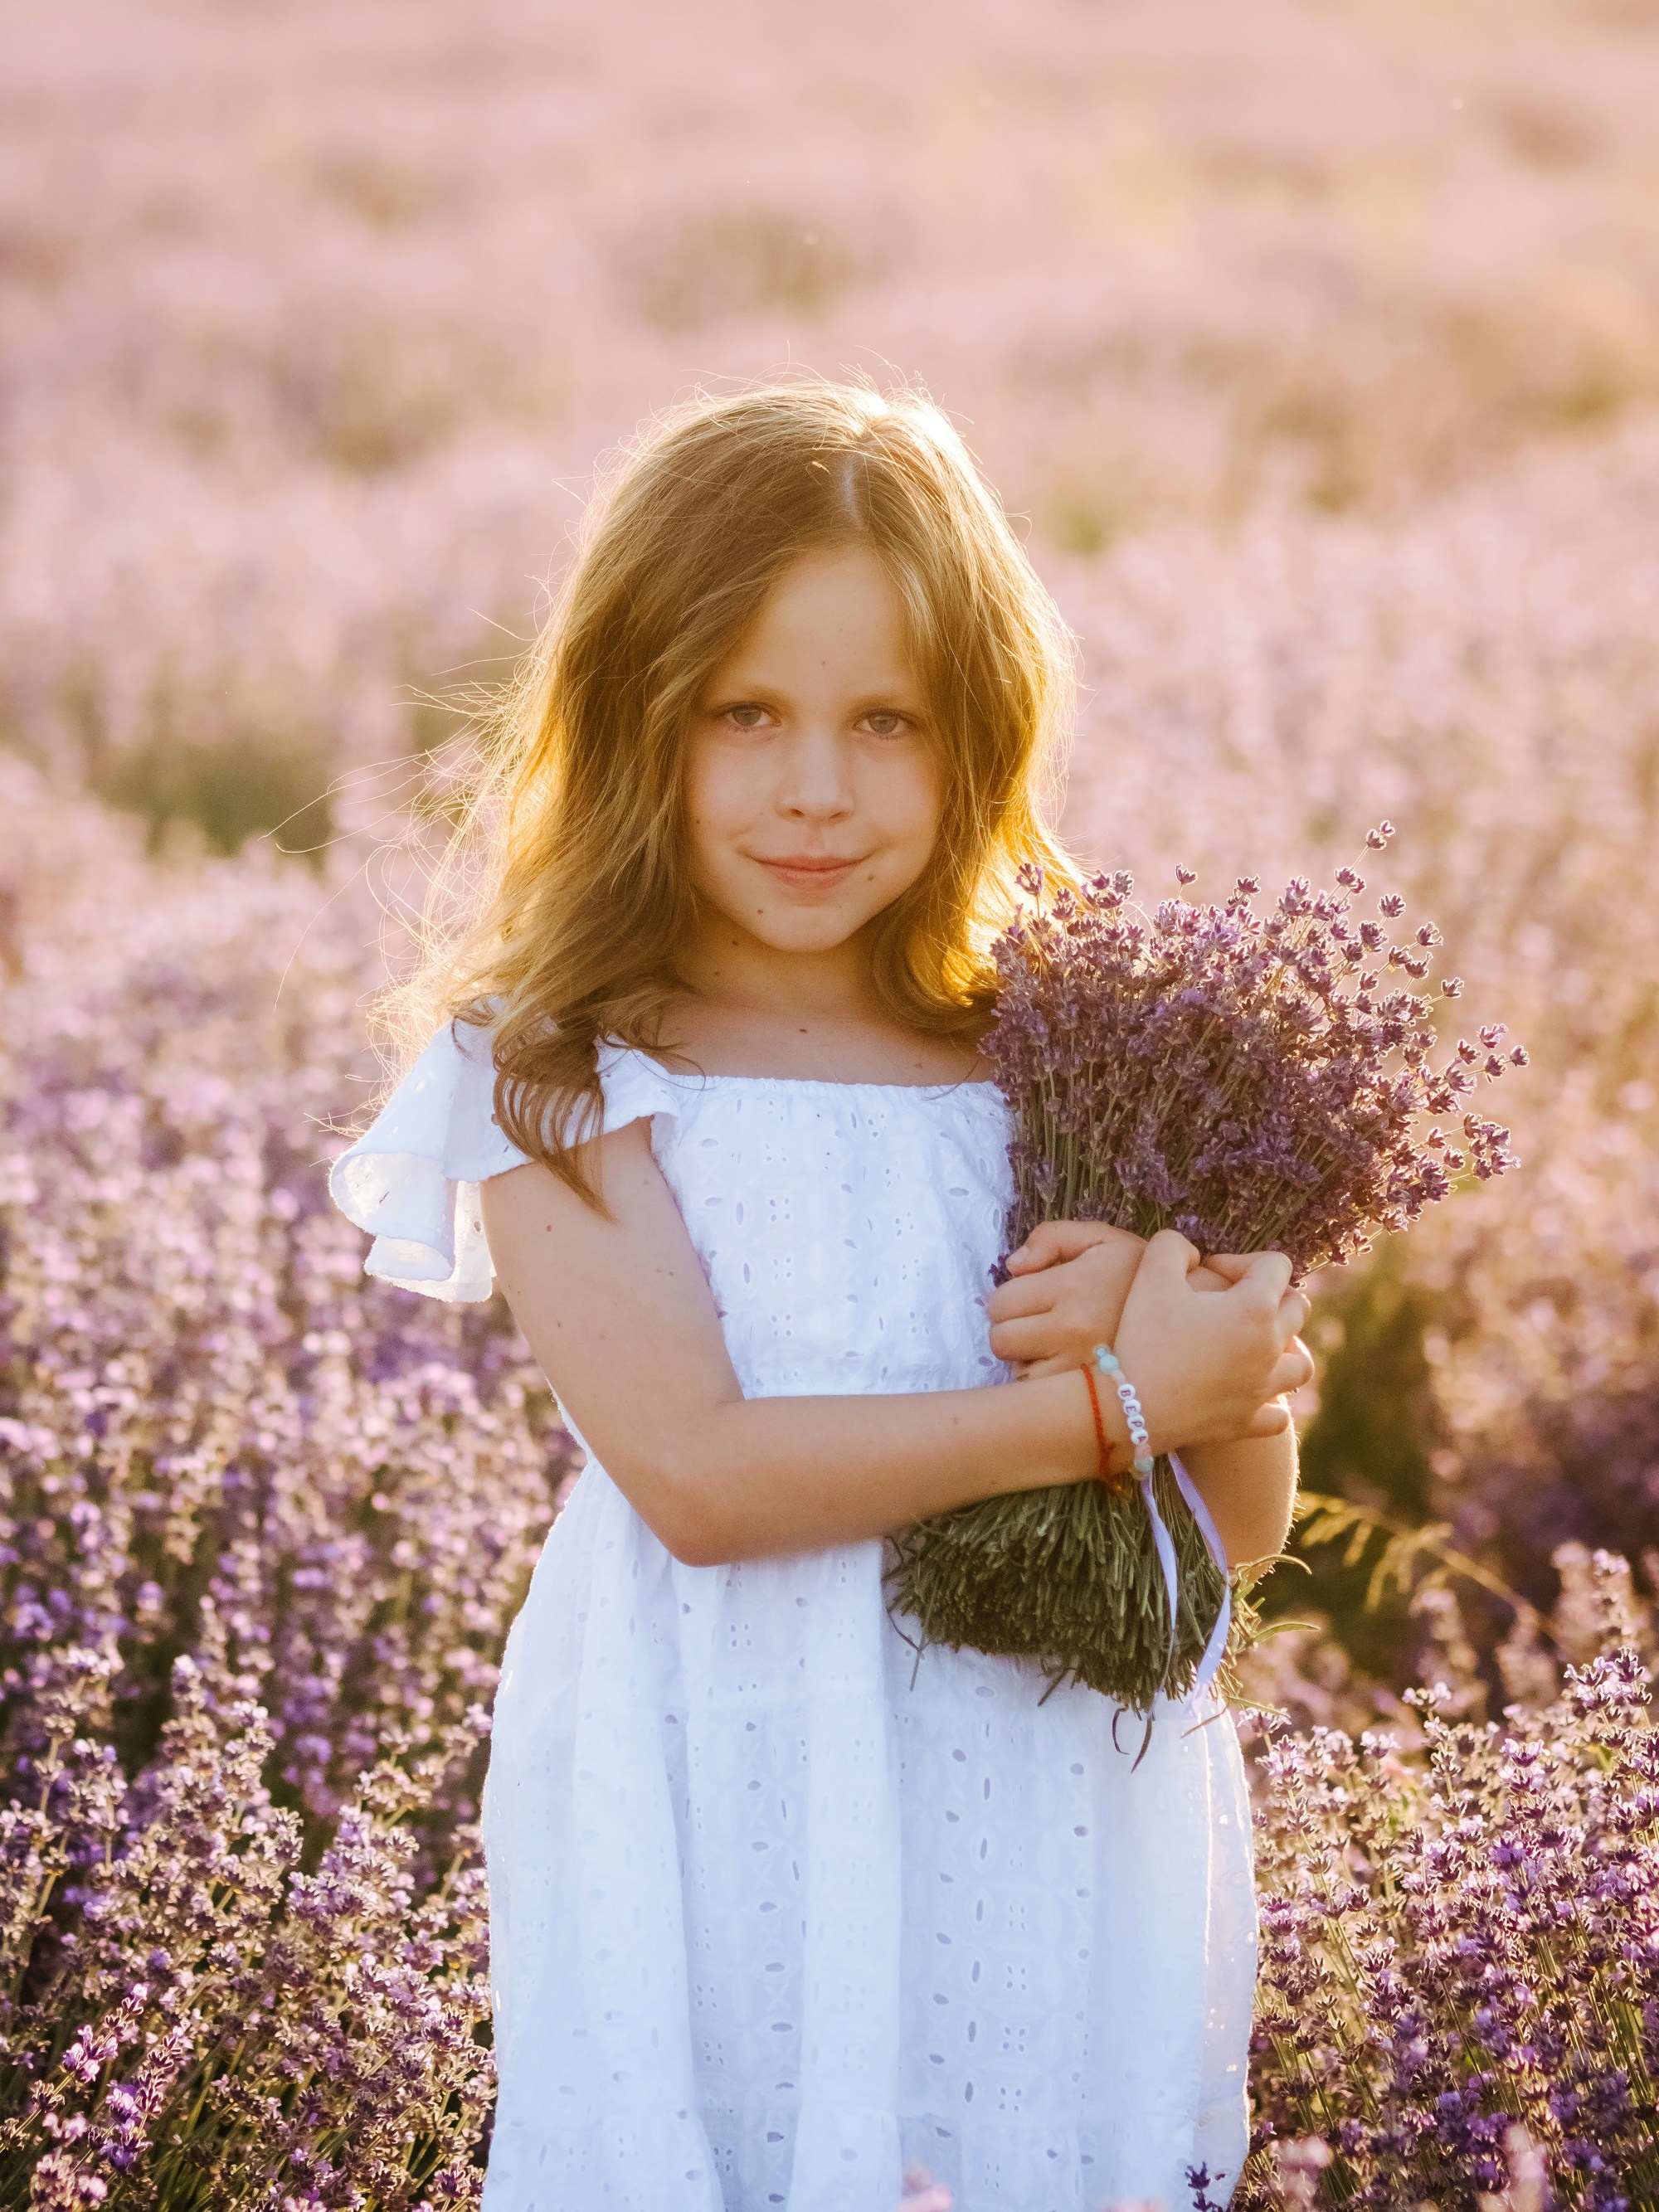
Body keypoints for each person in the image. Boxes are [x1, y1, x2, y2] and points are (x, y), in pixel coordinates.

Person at [330, 381, 1312, 2212]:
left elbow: (1229, 1543)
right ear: (636, 723)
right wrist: (1108, 1405)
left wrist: (1214, 1371)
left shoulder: (1065, 1060)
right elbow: (697, 1476)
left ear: (980, 741)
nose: (813, 786)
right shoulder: (557, 1066)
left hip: (1037, 1769)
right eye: (745, 714)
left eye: (887, 722)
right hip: (720, 1762)